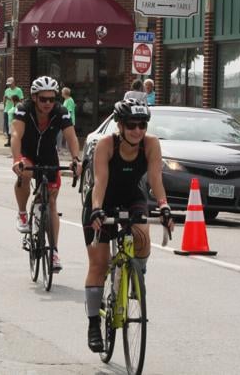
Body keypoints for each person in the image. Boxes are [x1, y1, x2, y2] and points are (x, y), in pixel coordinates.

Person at [82, 98, 174, 353]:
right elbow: (99, 182)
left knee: (142, 237)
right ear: (120, 125)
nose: (138, 130)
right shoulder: (106, 145)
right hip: (102, 201)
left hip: (132, 197)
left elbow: (155, 178)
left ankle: (136, 272)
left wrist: (164, 206)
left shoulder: (151, 145)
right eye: (132, 125)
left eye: (142, 125)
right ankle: (93, 324)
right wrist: (97, 209)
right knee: (99, 264)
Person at [11, 76, 82, 271]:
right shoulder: (24, 109)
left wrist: (76, 160)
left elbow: (71, 137)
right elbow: (16, 135)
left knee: (51, 202)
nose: (48, 103)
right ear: (34, 97)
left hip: (49, 157)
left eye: (52, 99)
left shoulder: (60, 111)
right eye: (43, 99)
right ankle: (23, 213)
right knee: (24, 174)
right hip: (27, 155)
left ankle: (54, 252)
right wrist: (16, 159)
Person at [3, 77, 24, 147]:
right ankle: (9, 141)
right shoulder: (7, 90)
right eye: (8, 84)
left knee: (13, 126)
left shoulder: (18, 90)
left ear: (14, 83)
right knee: (7, 126)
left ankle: (14, 140)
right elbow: (4, 99)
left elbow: (21, 100)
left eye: (10, 84)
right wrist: (4, 104)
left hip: (14, 110)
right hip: (7, 110)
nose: (9, 85)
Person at [57, 87, 76, 153]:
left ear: (65, 93)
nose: (61, 93)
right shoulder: (66, 100)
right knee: (60, 134)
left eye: (62, 92)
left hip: (68, 121)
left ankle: (68, 150)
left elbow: (69, 111)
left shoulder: (70, 100)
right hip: (63, 120)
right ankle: (59, 149)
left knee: (68, 136)